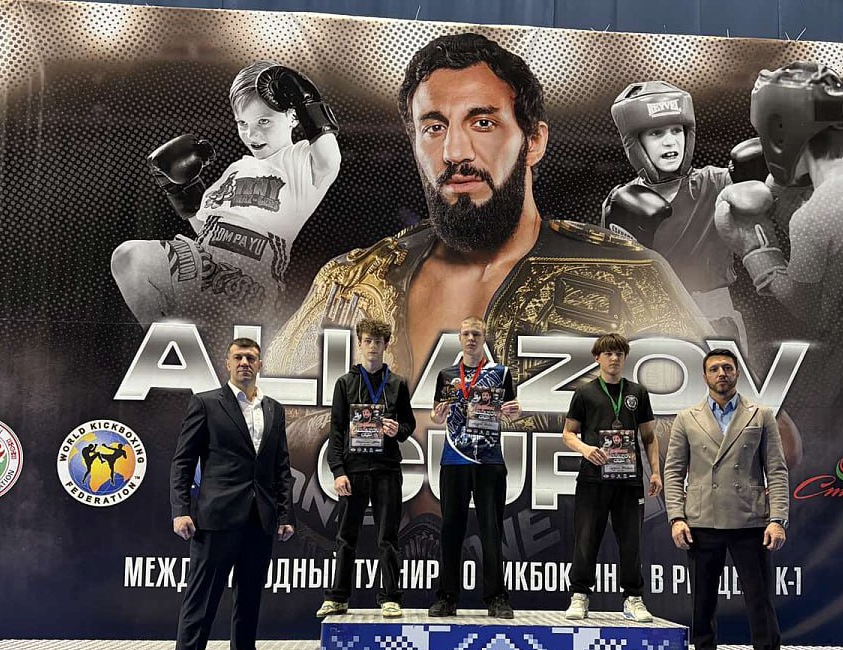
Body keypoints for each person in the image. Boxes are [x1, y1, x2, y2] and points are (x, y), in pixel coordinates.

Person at [266, 33, 709, 434]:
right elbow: (268, 421)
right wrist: (354, 431)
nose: (454, 152)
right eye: (434, 127)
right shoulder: (351, 282)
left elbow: (718, 429)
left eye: (482, 123)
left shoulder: (630, 273)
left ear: (533, 141)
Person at [714, 61, 843, 453]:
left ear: (782, 132)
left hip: (839, 365)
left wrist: (754, 246)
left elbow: (806, 305)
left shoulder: (812, 217)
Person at [111, 59, 341, 346]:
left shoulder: (300, 160)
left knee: (228, 348)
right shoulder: (235, 170)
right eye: (243, 123)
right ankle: (165, 346)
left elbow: (329, 161)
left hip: (251, 279)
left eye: (264, 121)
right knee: (129, 258)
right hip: (205, 262)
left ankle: (196, 349)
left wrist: (306, 98)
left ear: (293, 117)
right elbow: (205, 228)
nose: (251, 134)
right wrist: (181, 189)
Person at [170, 337, 295, 650]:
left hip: (260, 521)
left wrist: (285, 515)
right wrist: (181, 510)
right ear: (227, 363)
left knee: (249, 604)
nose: (244, 363)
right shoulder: (206, 403)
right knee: (201, 605)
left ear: (260, 364)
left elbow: (281, 467)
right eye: (238, 357)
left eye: (251, 358)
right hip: (215, 520)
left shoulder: (273, 409)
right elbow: (183, 462)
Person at [663, 348, 789, 650]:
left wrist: (778, 519)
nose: (722, 373)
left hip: (750, 523)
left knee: (760, 607)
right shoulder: (686, 418)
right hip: (701, 523)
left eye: (728, 368)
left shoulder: (760, 415)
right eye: (715, 368)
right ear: (704, 376)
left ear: (737, 374)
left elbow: (776, 470)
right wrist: (676, 517)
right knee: (702, 607)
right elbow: (674, 472)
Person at [605, 81, 764, 346]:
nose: (670, 141)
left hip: (716, 316)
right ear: (635, 142)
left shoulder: (716, 182)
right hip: (654, 321)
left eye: (676, 130)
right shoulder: (622, 202)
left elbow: (765, 189)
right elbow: (615, 279)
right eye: (656, 133)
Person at [316, 317, 416, 619]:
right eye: (368, 341)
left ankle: (390, 598)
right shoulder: (345, 384)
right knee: (346, 536)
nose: (373, 346)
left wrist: (397, 430)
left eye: (378, 341)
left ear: (386, 345)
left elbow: (408, 425)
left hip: (387, 469)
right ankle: (338, 597)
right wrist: (338, 471)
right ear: (359, 344)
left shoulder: (397, 384)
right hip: (354, 469)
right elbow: (335, 431)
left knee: (388, 536)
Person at [562, 333, 661, 623]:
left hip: (629, 480)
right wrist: (585, 449)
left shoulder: (637, 393)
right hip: (593, 479)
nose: (614, 358)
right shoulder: (585, 393)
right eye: (608, 353)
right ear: (598, 358)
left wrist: (655, 471)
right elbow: (568, 433)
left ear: (625, 357)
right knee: (586, 539)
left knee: (631, 542)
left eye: (619, 353)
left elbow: (649, 437)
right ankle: (580, 595)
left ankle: (633, 598)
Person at [429, 316, 520, 617]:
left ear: (484, 338)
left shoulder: (500, 373)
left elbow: (511, 410)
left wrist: (515, 412)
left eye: (476, 334)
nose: (471, 339)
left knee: (491, 529)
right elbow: (436, 415)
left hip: (489, 460)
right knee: (450, 529)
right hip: (454, 458)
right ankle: (446, 597)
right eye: (466, 333)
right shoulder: (446, 374)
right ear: (459, 338)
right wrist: (437, 417)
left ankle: (496, 598)